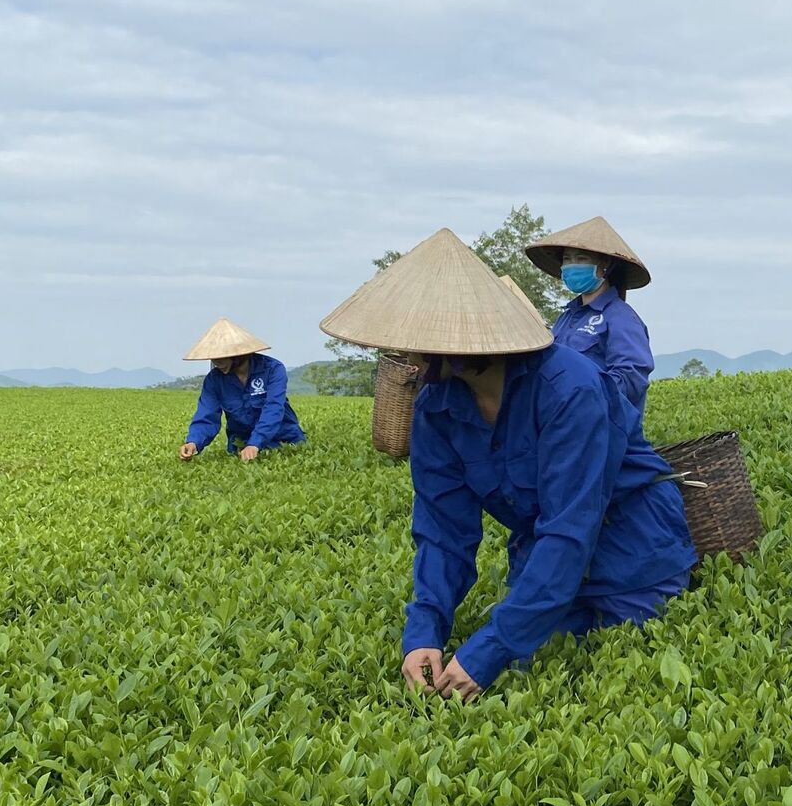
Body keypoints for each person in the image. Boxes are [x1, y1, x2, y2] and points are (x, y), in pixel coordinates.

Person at [319, 228, 696, 699]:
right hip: (543, 551)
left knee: (583, 661)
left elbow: (570, 527)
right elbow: (442, 530)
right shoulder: (435, 407)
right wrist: (424, 631)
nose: (407, 357)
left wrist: (488, 651)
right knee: (527, 648)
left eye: (417, 344)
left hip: (630, 550)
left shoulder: (570, 389)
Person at [526, 216, 655, 432]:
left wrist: (583, 399)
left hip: (602, 431)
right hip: (560, 427)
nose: (571, 265)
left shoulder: (621, 318)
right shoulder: (566, 317)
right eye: (567, 259)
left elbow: (631, 377)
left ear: (605, 265)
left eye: (581, 258)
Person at [178, 318, 306, 462]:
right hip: (241, 446)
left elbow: (274, 408)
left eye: (222, 357)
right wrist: (194, 442)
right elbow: (207, 414)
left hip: (285, 440)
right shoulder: (214, 380)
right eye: (213, 357)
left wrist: (255, 443)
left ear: (239, 354)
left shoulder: (273, 369)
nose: (216, 362)